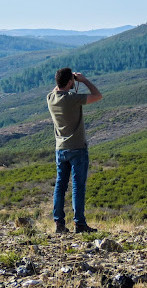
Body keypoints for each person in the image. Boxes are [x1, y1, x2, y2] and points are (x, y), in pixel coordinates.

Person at [47, 67, 102, 233]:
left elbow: (57, 88)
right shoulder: (72, 99)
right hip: (77, 148)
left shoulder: (50, 98)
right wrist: (83, 80)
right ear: (70, 82)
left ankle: (59, 223)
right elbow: (98, 95)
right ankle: (79, 223)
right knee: (78, 186)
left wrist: (67, 80)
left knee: (60, 186)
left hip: (60, 149)